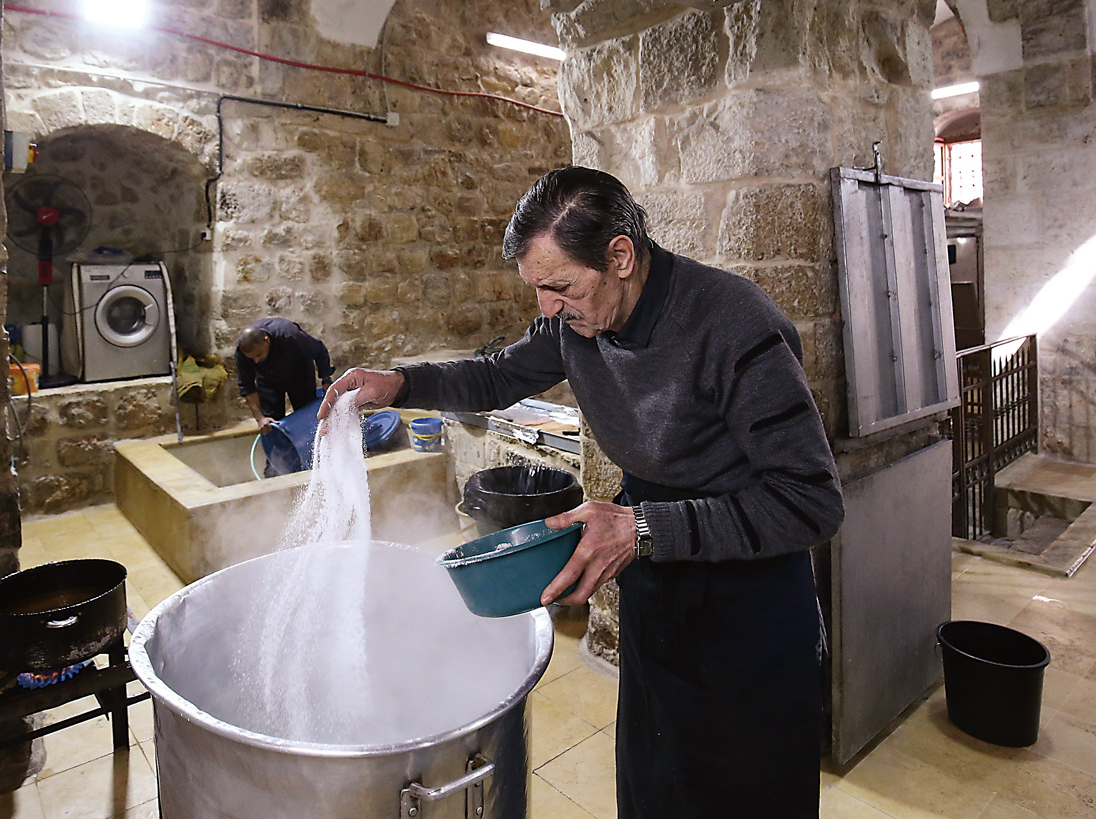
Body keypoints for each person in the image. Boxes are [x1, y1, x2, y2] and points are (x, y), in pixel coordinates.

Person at [322, 166, 843, 818]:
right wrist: (399, 383)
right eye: (537, 288)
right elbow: (495, 376)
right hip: (661, 598)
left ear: (620, 256)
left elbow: (811, 499)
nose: (547, 307)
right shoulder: (577, 327)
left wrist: (642, 527)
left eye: (559, 285)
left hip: (751, 614)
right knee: (657, 787)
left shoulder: (733, 324)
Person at [235, 318, 334, 432]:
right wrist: (260, 418)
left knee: (306, 415)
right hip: (267, 378)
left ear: (267, 341)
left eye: (258, 355)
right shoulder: (242, 352)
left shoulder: (290, 335)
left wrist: (326, 380)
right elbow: (247, 387)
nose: (256, 360)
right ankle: (281, 447)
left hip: (299, 371)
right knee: (271, 423)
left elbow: (319, 351)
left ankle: (310, 444)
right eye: (252, 359)